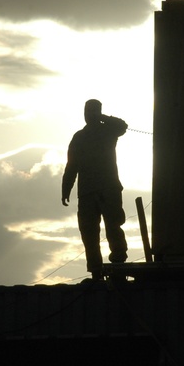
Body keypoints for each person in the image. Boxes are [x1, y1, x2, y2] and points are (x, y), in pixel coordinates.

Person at [62, 99, 128, 281]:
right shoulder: (79, 137)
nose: (87, 114)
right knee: (89, 233)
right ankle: (96, 271)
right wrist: (66, 189)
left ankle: (118, 266)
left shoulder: (108, 130)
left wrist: (102, 118)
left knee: (113, 227)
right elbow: (71, 166)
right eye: (86, 110)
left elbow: (122, 126)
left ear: (97, 112)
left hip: (109, 190)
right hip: (87, 193)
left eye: (91, 111)